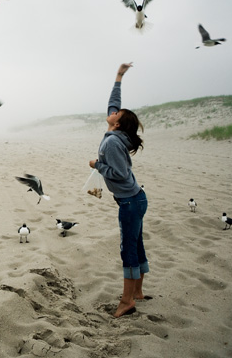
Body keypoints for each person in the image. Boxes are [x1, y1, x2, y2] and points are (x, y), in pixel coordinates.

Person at [89, 62, 148, 318]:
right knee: (136, 243)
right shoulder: (117, 131)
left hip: (129, 202)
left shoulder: (113, 141)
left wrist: (97, 165)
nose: (113, 111)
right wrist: (119, 76)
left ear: (118, 123)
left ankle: (127, 301)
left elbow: (120, 173)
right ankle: (138, 292)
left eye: (117, 113)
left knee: (129, 250)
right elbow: (114, 102)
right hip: (135, 198)